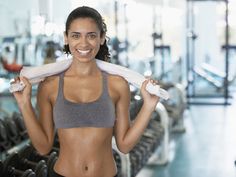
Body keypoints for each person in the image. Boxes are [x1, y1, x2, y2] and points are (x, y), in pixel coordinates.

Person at [12, 6, 159, 177]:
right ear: (66, 38)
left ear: (101, 38)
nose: (84, 43)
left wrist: (149, 105)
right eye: (76, 35)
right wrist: (24, 103)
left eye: (91, 35)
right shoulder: (50, 86)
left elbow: (124, 145)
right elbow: (43, 147)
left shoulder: (117, 85)